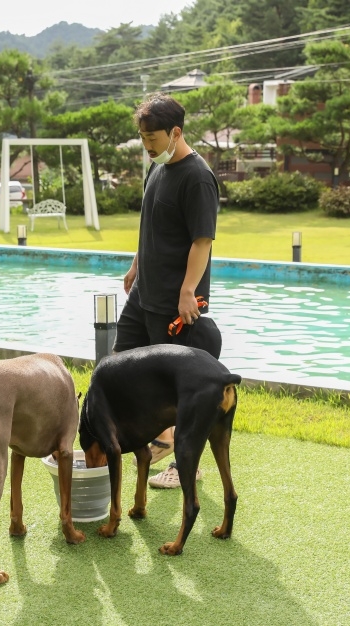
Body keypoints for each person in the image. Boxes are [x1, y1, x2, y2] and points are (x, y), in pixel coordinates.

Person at [113, 92, 222, 489]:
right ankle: (157, 437)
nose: (147, 146)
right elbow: (151, 225)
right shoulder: (156, 168)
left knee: (178, 389)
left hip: (175, 303)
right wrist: (136, 264)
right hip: (144, 293)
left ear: (175, 133)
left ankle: (184, 464)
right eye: (142, 138)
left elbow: (202, 241)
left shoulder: (198, 177)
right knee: (120, 367)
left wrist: (188, 290)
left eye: (152, 138)